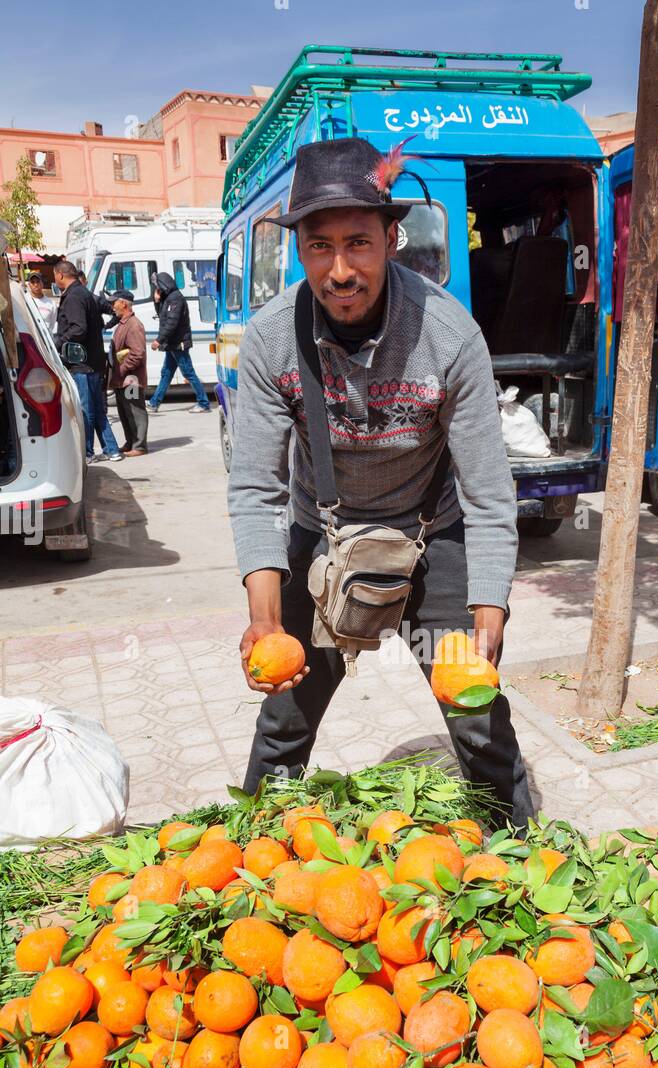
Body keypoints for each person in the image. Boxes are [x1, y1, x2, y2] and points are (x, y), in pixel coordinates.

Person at [227, 136, 533, 828]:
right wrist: (265, 620)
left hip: (433, 536)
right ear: (298, 249)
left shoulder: (449, 335)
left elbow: (488, 492)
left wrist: (489, 618)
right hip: (324, 538)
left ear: (392, 238)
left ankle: (523, 862)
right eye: (319, 246)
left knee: (480, 722)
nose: (339, 269)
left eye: (358, 243)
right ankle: (250, 861)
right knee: (282, 726)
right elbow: (254, 490)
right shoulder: (273, 340)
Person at [53, 259, 123, 462]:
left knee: (86, 410)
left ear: (60, 275)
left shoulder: (74, 296)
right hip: (93, 361)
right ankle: (112, 449)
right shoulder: (85, 293)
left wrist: (59, 341)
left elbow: (78, 328)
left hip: (82, 363)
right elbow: (111, 310)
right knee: (97, 408)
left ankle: (88, 453)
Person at [146, 272, 210, 413]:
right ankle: (154, 403)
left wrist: (158, 340)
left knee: (188, 373)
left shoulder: (175, 299)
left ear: (164, 285)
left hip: (178, 343)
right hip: (172, 344)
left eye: (158, 287)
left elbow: (171, 323)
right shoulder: (168, 298)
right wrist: (156, 301)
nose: (157, 289)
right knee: (166, 373)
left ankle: (204, 403)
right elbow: (162, 315)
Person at [108, 290, 148, 456]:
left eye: (114, 303)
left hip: (131, 379)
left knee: (135, 412)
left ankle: (139, 445)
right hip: (122, 379)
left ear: (123, 303)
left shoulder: (133, 325)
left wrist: (122, 369)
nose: (112, 307)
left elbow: (137, 353)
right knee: (125, 412)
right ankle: (131, 441)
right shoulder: (123, 323)